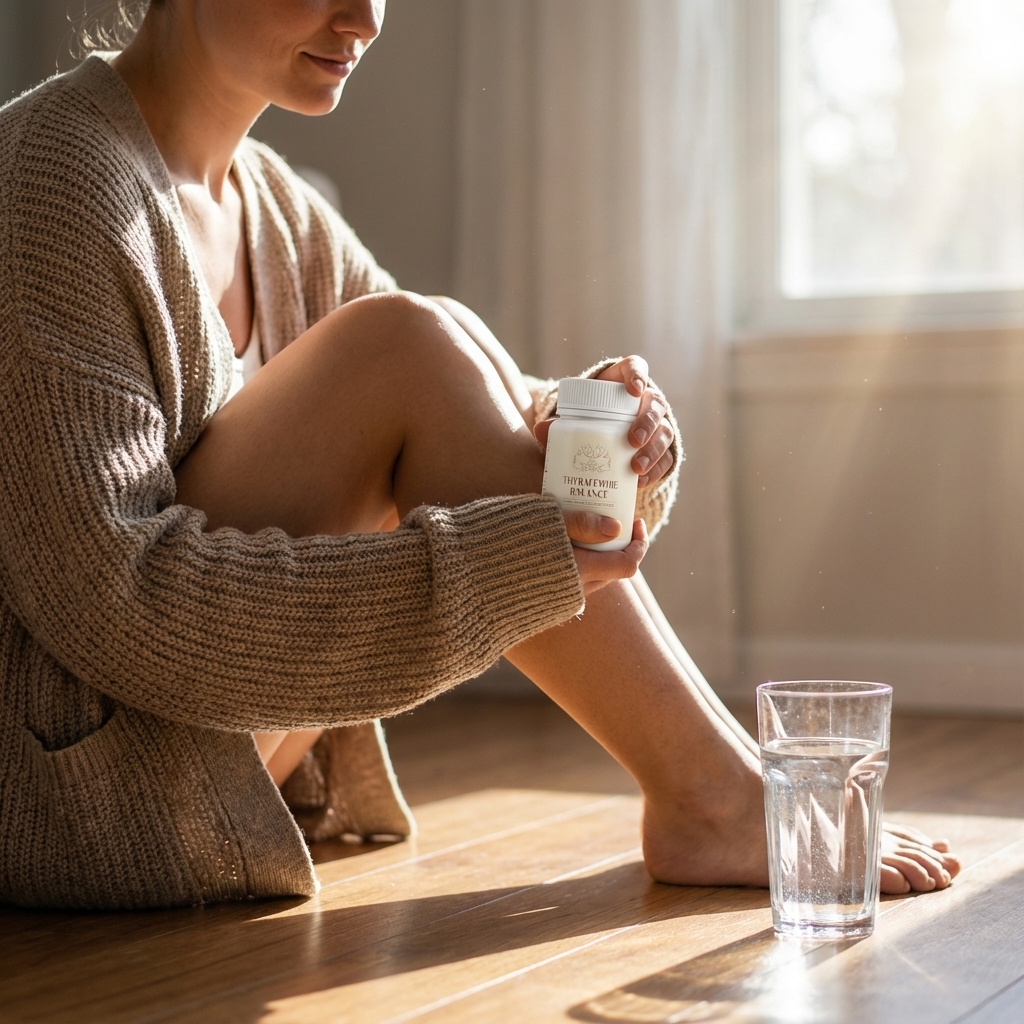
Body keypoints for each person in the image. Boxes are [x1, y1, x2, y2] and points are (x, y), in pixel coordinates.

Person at [0, 0, 959, 911]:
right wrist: (500, 563)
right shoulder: (49, 178)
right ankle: (716, 793)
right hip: (76, 796)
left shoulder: (274, 203)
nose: (367, 19)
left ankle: (716, 791)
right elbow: (109, 596)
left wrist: (586, 427)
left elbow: (452, 408)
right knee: (405, 339)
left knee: (425, 336)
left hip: (211, 758)